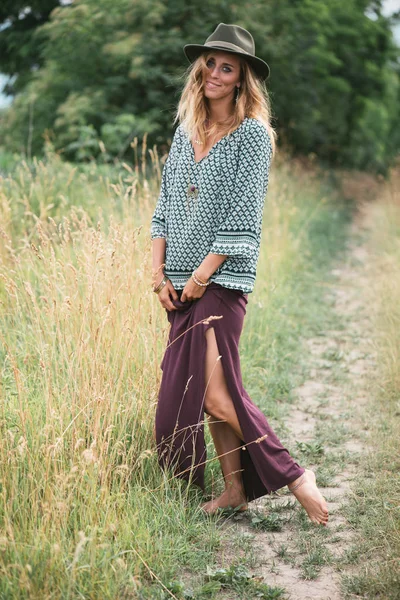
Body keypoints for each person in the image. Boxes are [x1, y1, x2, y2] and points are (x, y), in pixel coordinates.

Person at [150, 23, 329, 526]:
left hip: (220, 285)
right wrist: (158, 273)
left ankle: (295, 475)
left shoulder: (251, 135)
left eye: (226, 67)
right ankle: (233, 488)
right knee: (212, 393)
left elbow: (242, 223)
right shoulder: (186, 129)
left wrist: (201, 278)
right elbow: (163, 208)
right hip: (179, 285)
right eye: (209, 62)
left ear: (242, 79)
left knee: (213, 393)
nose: (214, 73)